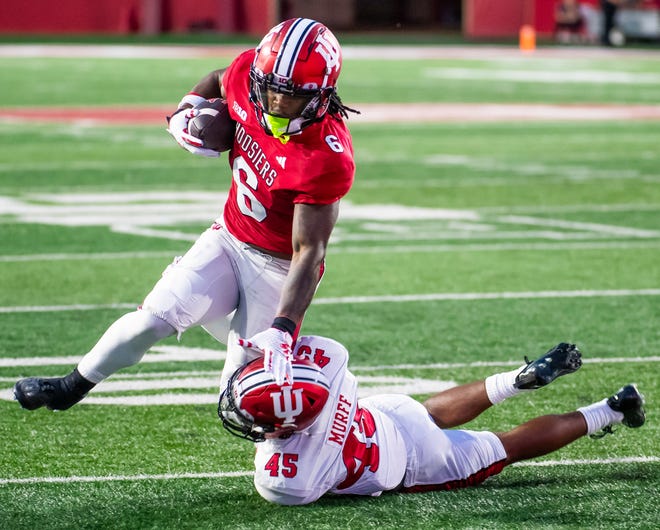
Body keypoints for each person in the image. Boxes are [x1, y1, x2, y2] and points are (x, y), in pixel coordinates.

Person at [13, 18, 358, 411]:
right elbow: (219, 79)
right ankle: (71, 387)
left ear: (320, 96)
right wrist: (186, 110)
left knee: (244, 399)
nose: (275, 102)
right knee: (150, 320)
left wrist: (284, 326)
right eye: (271, 89)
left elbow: (309, 251)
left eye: (290, 95)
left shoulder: (325, 156)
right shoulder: (251, 75)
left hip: (278, 269)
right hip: (228, 238)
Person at [219, 338, 646, 505]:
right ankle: (513, 381)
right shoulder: (331, 374)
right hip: (386, 414)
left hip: (413, 464)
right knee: (427, 413)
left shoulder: (283, 481)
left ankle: (614, 407)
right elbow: (327, 358)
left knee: (508, 446)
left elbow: (286, 447)